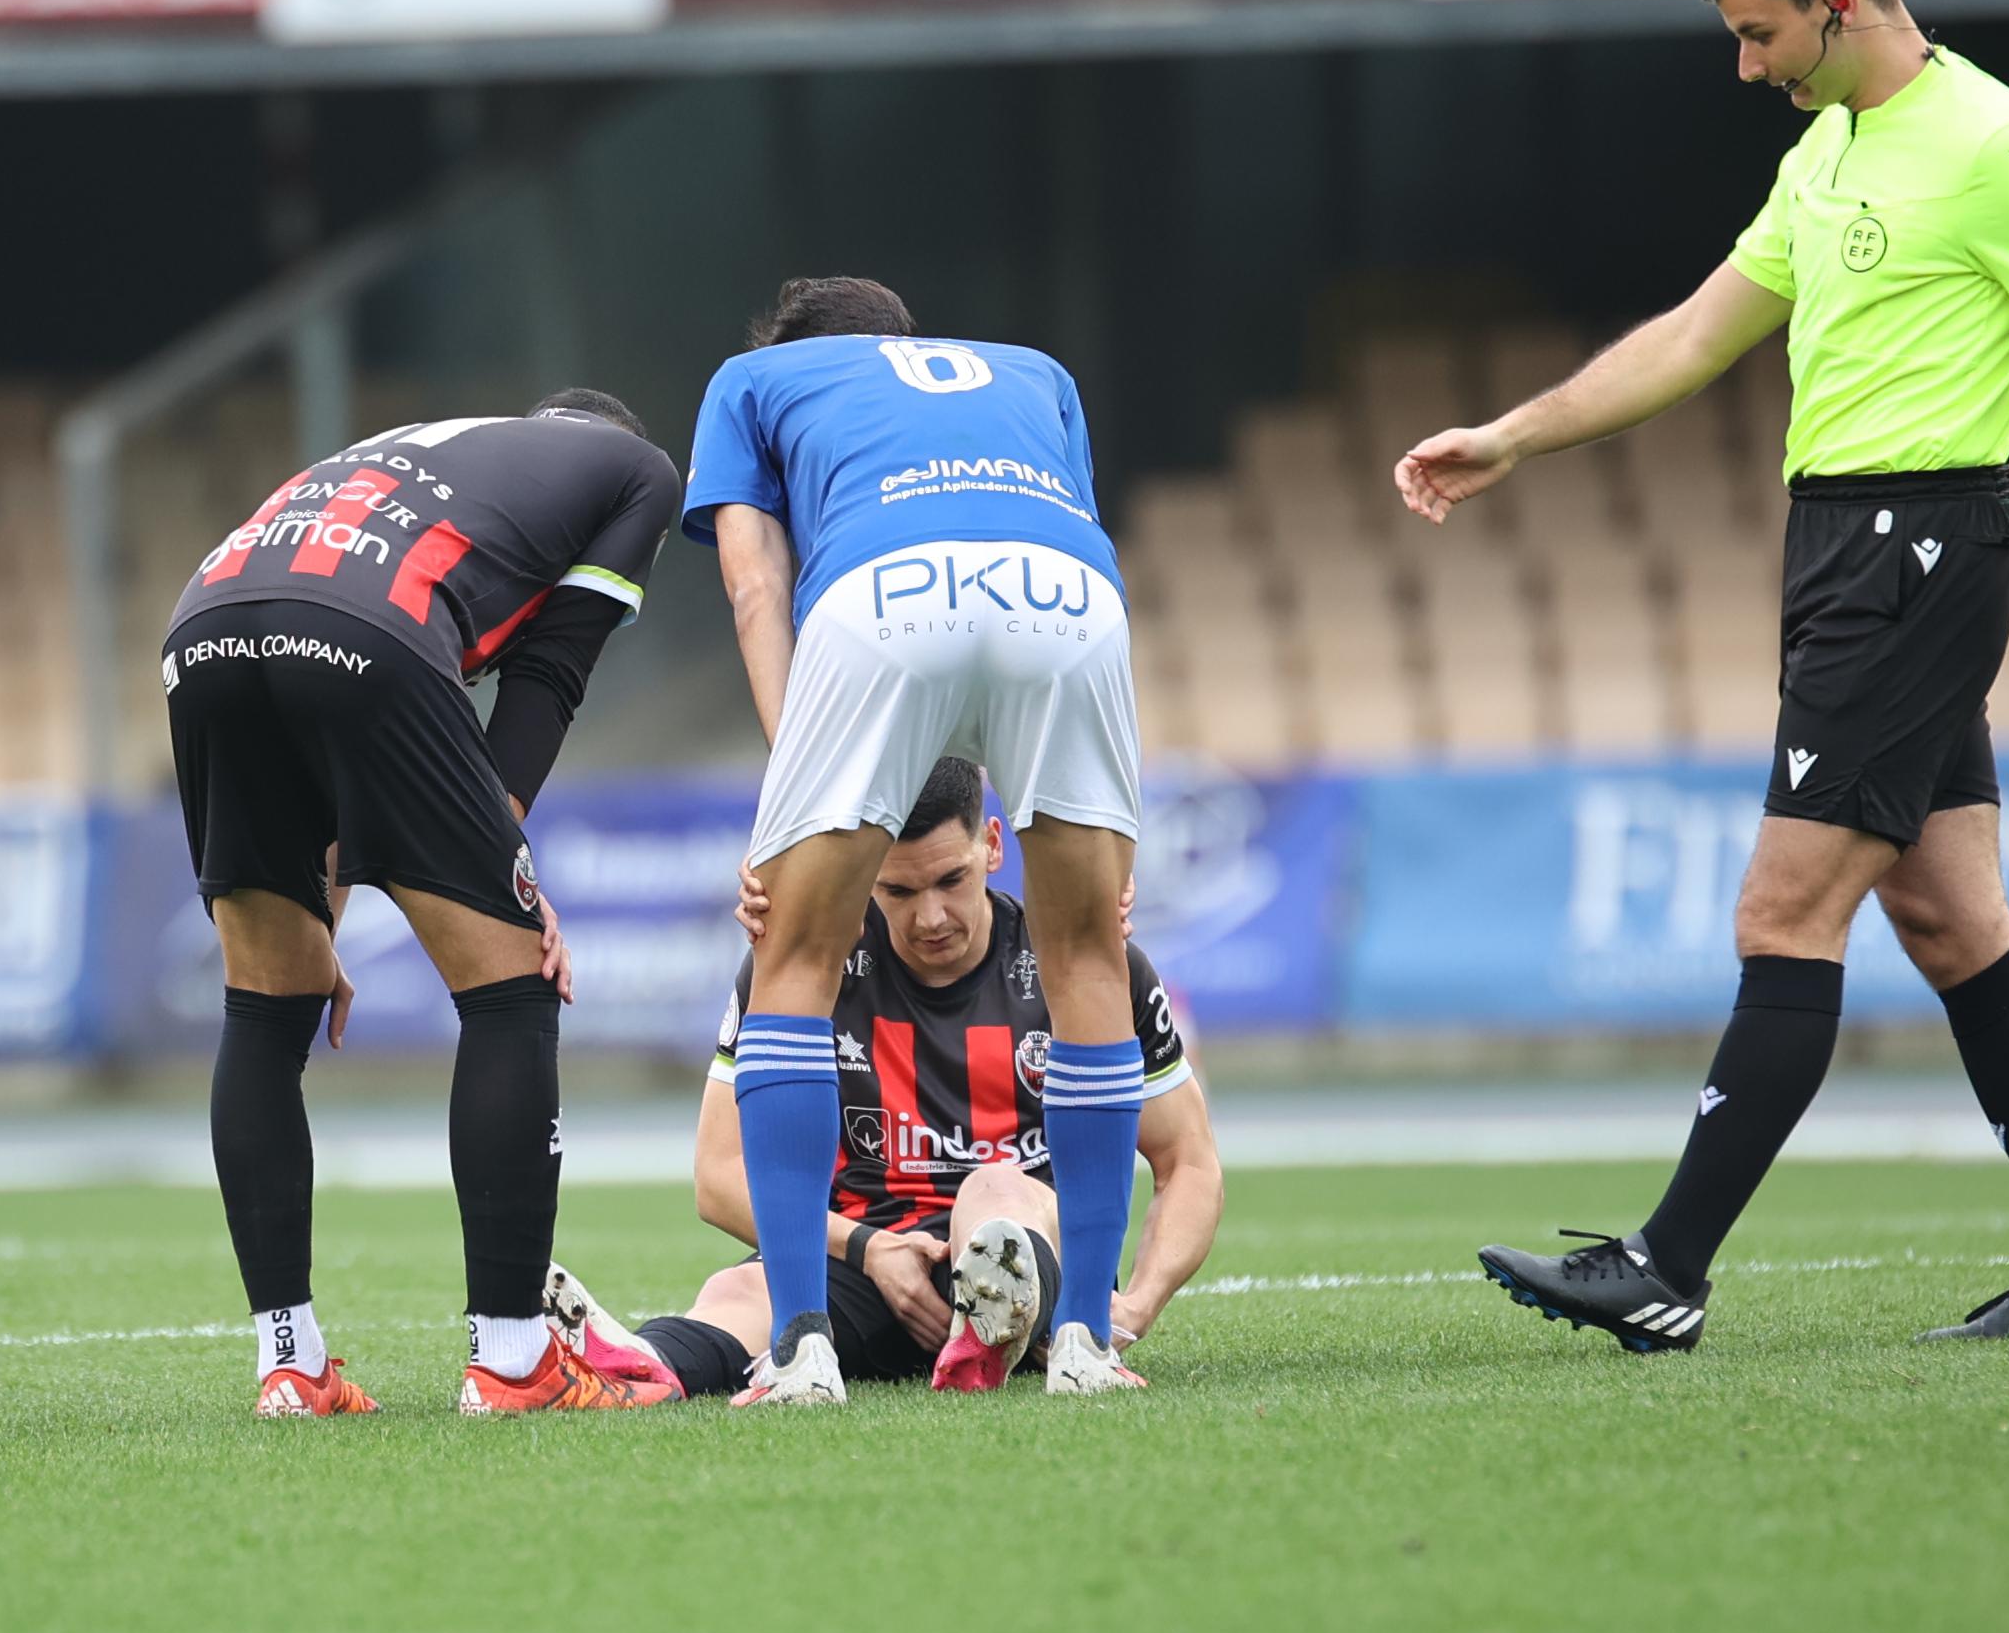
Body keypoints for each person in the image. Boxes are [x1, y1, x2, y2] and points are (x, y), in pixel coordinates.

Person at [1394, 0, 2009, 1350]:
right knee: (1954, 920)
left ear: (1839, 1)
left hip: (1922, 555)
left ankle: (1666, 1269)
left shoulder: (2002, 149)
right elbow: (1696, 336)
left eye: (1756, 33)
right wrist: (1518, 435)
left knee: (1784, 914)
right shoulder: (1823, 151)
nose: (1745, 66)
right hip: (1845, 553)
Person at [164, 392, 683, 1416]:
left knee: (266, 1008)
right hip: (361, 633)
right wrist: (508, 880)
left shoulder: (434, 451)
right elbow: (547, 674)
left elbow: (311, 670)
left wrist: (328, 913)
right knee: (512, 993)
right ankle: (513, 1360)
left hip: (205, 627)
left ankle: (290, 1364)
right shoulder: (635, 475)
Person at [686, 276, 1150, 1404]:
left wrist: (791, 798)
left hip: (884, 595)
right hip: (1067, 596)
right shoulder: (1037, 370)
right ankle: (1085, 1342)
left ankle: (800, 1351)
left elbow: (757, 588)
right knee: (1089, 955)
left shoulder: (753, 381)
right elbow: (1072, 522)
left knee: (797, 959)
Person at [542, 758, 1224, 1400]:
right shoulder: (802, 971)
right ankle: (632, 1367)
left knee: (995, 1188)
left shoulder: (1083, 968)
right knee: (736, 1294)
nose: (930, 917)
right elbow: (719, 1176)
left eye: (951, 881)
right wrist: (867, 1250)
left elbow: (1187, 1160)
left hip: (1032, 1260)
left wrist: (1134, 1305)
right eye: (898, 889)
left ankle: (993, 1308)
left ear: (992, 845)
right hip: (867, 1259)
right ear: (866, 871)